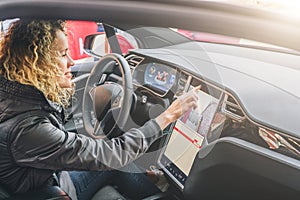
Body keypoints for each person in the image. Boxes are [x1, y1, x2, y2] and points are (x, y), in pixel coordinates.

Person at [0, 19, 200, 200]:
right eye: (62, 54)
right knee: (116, 160)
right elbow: (112, 154)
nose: (70, 62)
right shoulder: (28, 128)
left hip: (42, 178)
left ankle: (154, 182)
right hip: (49, 190)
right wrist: (168, 116)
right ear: (34, 63)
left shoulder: (17, 96)